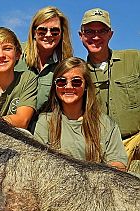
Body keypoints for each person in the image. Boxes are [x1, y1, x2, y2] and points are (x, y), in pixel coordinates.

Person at [34, 57, 128, 171]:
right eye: (61, 81)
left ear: (86, 86)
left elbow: (119, 166)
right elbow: (38, 164)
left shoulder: (106, 124)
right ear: (55, 86)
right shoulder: (45, 121)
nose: (68, 87)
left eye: (76, 82)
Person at [79, 8, 140, 168]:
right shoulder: (78, 74)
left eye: (102, 31)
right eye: (89, 31)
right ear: (81, 36)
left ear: (110, 34)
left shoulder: (134, 59)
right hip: (100, 150)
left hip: (136, 145)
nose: (96, 36)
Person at [15, 6, 73, 119]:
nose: (48, 35)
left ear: (62, 34)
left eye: (55, 31)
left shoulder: (66, 64)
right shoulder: (16, 53)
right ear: (34, 32)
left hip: (44, 128)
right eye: (42, 31)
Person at [0, 27, 38, 129]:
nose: (1, 55)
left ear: (18, 54)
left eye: (7, 48)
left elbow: (23, 120)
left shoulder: (27, 78)